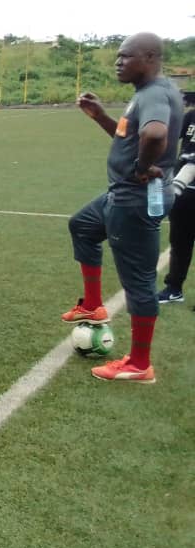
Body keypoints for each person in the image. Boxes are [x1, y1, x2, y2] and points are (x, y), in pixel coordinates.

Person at [64, 32, 184, 382]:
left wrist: (144, 167)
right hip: (122, 196)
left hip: (134, 201)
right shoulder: (147, 94)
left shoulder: (156, 94)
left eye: (125, 56)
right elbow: (131, 136)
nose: (118, 62)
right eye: (117, 56)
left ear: (149, 58)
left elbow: (154, 135)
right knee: (82, 225)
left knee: (140, 282)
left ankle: (139, 364)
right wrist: (101, 116)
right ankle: (92, 305)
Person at [158, 92, 195, 304]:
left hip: (187, 185)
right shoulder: (190, 117)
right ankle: (174, 288)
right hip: (182, 193)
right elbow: (169, 141)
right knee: (180, 242)